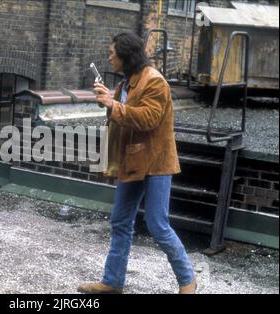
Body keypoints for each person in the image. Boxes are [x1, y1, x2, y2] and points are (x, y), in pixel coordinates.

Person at [78, 32, 197, 294]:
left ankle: (188, 279)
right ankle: (112, 282)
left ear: (126, 55)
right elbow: (124, 114)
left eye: (112, 54)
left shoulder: (155, 82)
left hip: (156, 163)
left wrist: (112, 104)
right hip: (133, 160)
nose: (109, 58)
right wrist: (110, 101)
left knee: (157, 225)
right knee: (120, 221)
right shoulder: (126, 84)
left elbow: (148, 119)